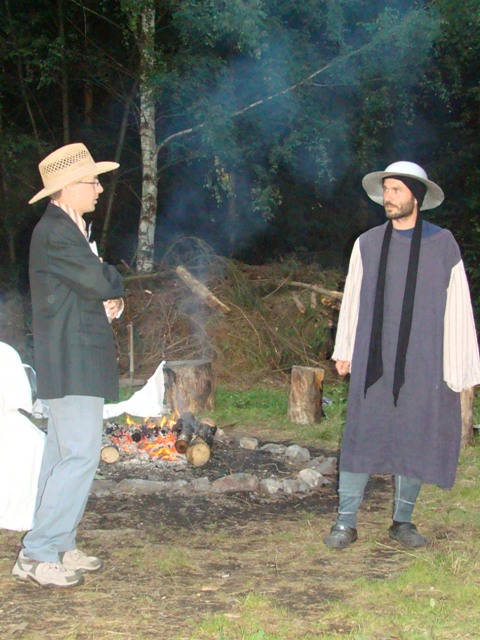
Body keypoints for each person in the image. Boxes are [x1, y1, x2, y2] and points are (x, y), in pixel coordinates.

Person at [324, 161, 480, 550]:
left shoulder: (442, 245)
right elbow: (353, 298)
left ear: (416, 196)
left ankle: (402, 521)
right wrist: (345, 349)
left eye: (396, 190)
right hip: (374, 356)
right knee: (362, 433)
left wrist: (461, 366)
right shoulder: (367, 243)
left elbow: (458, 305)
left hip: (424, 358)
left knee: (415, 433)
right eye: (386, 190)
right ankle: (346, 523)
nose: (387, 198)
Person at [12, 143, 126, 587]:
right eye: (92, 181)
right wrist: (112, 282)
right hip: (72, 360)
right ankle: (37, 553)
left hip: (74, 358)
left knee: (62, 454)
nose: (99, 188)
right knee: (79, 455)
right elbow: (98, 279)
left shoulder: (71, 228)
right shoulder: (57, 231)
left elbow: (85, 290)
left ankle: (59, 543)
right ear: (67, 188)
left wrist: (110, 300)